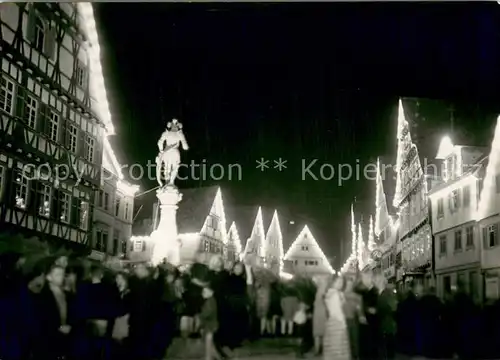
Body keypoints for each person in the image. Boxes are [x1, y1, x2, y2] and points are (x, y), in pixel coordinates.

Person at [323, 275, 351, 360]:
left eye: (342, 282)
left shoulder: (330, 293)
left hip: (331, 321)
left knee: (332, 346)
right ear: (333, 282)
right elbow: (337, 311)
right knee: (338, 347)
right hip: (338, 322)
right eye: (338, 282)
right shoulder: (335, 294)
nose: (341, 284)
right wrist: (343, 324)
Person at [200, 285, 220, 360]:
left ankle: (208, 357)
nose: (202, 293)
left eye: (205, 292)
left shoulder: (210, 301)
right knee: (210, 344)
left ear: (211, 292)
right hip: (210, 325)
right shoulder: (211, 300)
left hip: (210, 325)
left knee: (208, 343)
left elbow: (208, 312)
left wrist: (201, 315)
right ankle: (215, 357)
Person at [313, 276, 329, 355]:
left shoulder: (318, 292)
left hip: (317, 314)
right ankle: (320, 349)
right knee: (323, 333)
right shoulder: (324, 293)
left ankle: (317, 350)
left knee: (317, 333)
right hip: (323, 314)